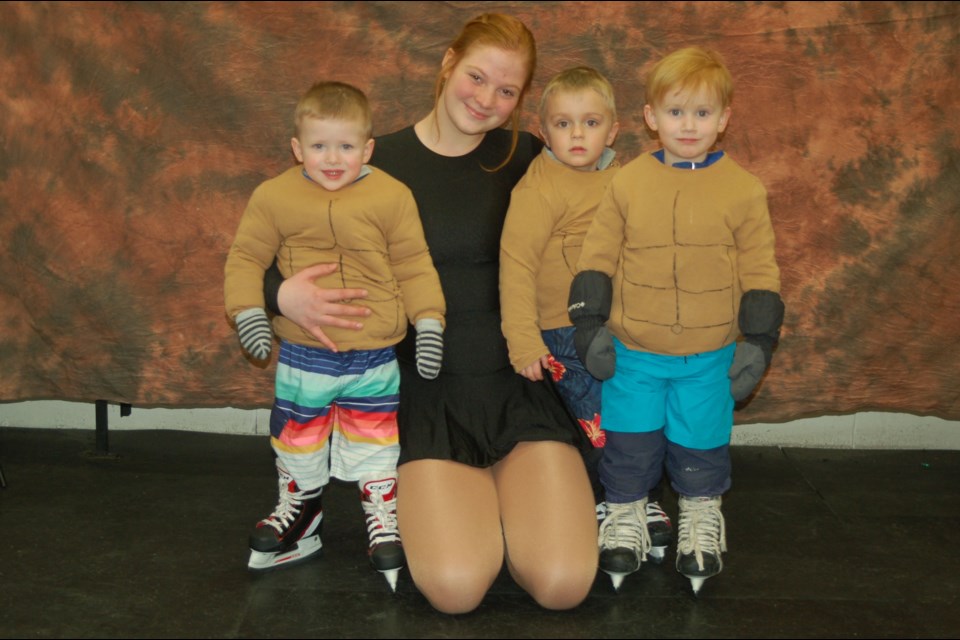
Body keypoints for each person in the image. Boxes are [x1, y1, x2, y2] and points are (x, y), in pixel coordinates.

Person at [265, 14, 598, 613]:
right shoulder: (370, 159)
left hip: (521, 388)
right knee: (455, 587)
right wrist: (281, 294)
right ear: (448, 63)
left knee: (563, 583)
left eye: (507, 91)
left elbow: (616, 214)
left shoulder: (529, 156)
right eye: (477, 76)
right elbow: (268, 235)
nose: (487, 99)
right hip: (424, 397)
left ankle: (536, 501)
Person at [568, 46, 784, 594]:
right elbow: (597, 257)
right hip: (635, 352)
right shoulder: (627, 182)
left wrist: (757, 341)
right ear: (650, 117)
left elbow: (761, 268)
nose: (689, 125)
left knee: (700, 445)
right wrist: (590, 325)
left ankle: (701, 519)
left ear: (725, 119)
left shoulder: (744, 189)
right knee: (630, 444)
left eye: (703, 113)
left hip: (708, 356)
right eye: (675, 112)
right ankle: (624, 515)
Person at [224, 81, 446, 592]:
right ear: (298, 148)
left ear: (367, 149)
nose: (332, 158)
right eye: (319, 146)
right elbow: (246, 258)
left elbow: (414, 263)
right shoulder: (274, 195)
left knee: (375, 439)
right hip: (306, 353)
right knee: (297, 436)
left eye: (345, 146)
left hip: (372, 354)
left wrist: (429, 322)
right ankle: (300, 509)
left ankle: (380, 513)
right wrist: (249, 313)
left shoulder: (392, 195)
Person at [498, 65, 672, 561]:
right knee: (601, 418)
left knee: (642, 412)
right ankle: (615, 501)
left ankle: (642, 496)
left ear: (613, 130)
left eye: (591, 123)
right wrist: (524, 341)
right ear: (544, 130)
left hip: (624, 328)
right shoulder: (539, 189)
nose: (577, 134)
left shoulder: (625, 181)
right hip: (564, 333)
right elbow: (515, 268)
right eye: (563, 124)